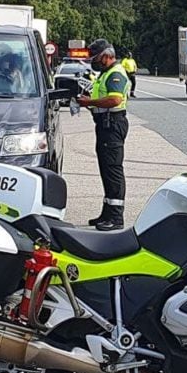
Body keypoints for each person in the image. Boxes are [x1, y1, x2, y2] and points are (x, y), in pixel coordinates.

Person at [76, 39, 130, 231]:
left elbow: (115, 99)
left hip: (113, 124)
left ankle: (116, 217)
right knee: (106, 170)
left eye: (96, 58)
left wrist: (89, 102)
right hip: (105, 125)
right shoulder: (105, 73)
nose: (94, 62)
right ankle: (107, 212)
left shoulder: (115, 73)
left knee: (113, 170)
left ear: (107, 56)